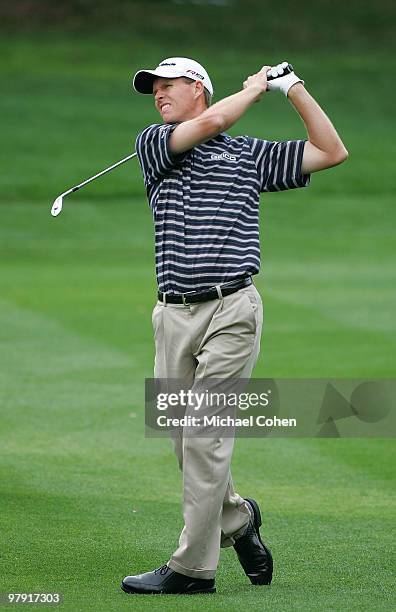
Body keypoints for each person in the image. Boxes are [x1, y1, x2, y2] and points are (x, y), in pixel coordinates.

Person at [121, 57, 348, 595]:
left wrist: (291, 88)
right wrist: (254, 89)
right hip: (172, 314)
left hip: (232, 310)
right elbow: (213, 124)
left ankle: (192, 570)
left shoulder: (247, 156)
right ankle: (239, 520)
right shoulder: (156, 142)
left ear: (198, 87)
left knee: (203, 438)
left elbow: (331, 151)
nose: (158, 94)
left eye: (168, 84)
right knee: (183, 442)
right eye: (153, 88)